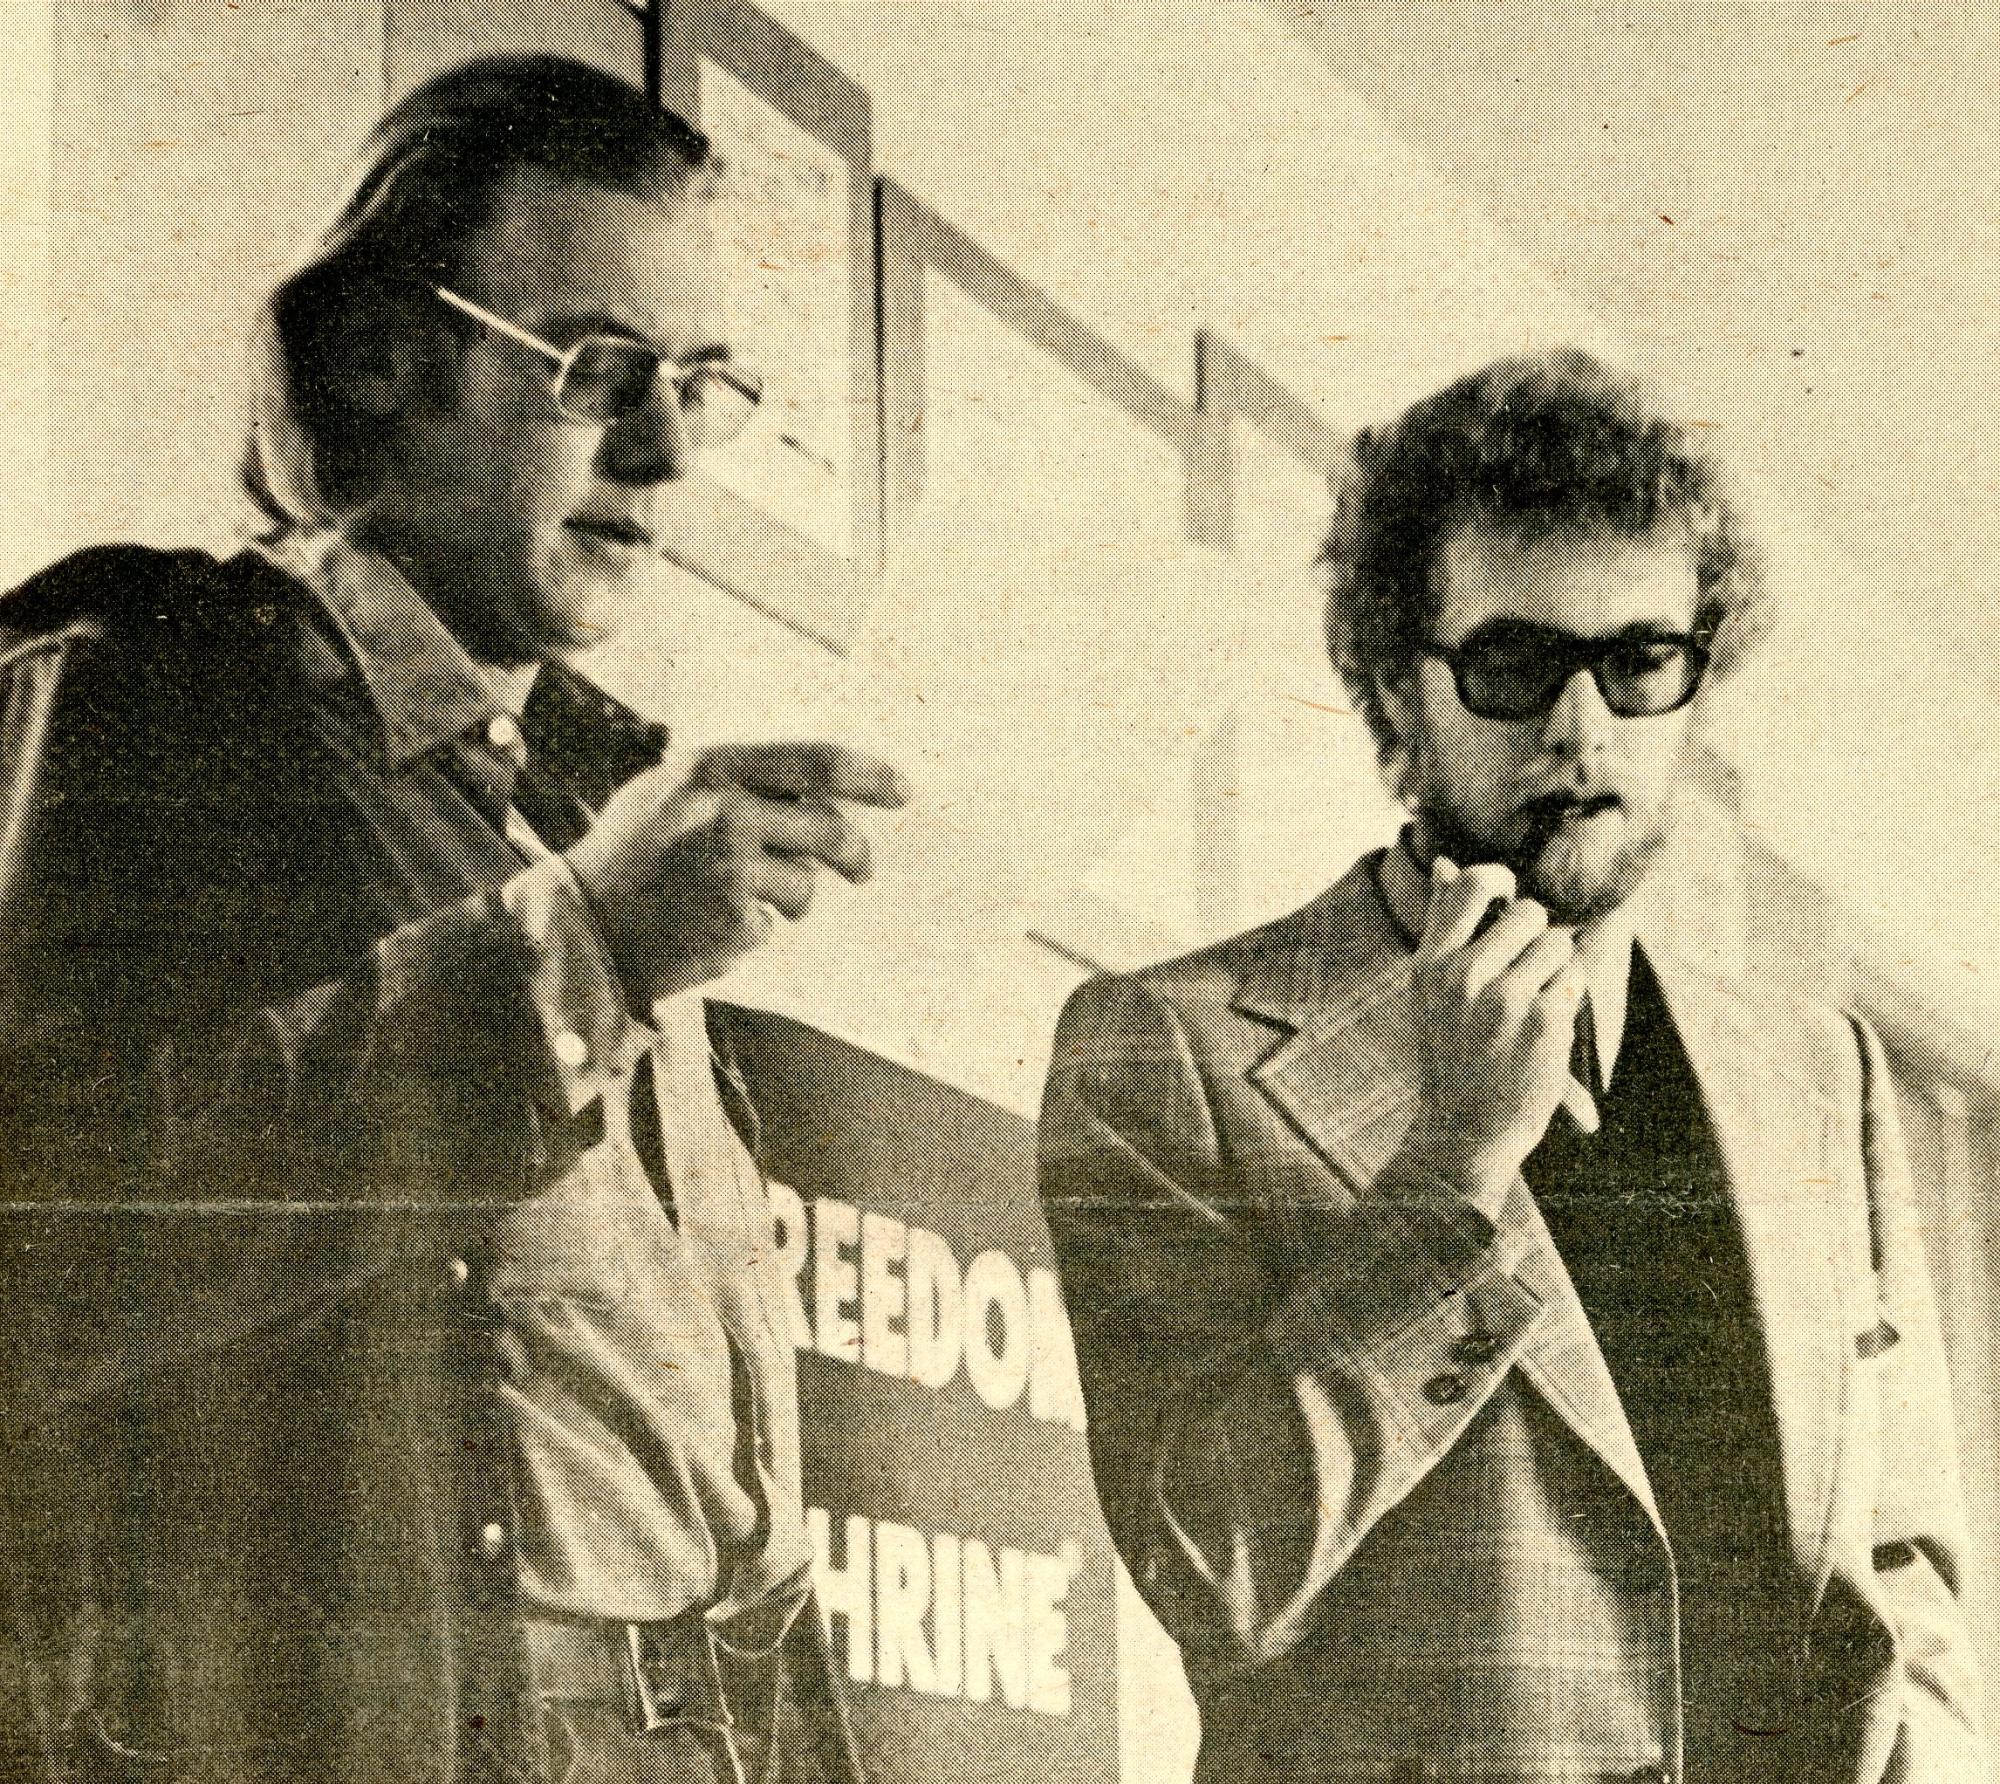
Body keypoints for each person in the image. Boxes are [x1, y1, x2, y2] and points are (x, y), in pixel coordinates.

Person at [0, 56, 904, 1784]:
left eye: (699, 386)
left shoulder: (588, 802)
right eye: (598, 370)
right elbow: (46, 1238)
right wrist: (584, 961)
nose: (661, 451)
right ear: (379, 359)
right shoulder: (144, 689)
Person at [1039, 350, 1985, 1783]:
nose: (1580, 727)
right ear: (1395, 691)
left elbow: (1906, 1578)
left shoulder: (1823, 1077)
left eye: (1639, 662)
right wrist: (1453, 1175)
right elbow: (1209, 1569)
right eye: (1513, 663)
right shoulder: (1171, 1049)